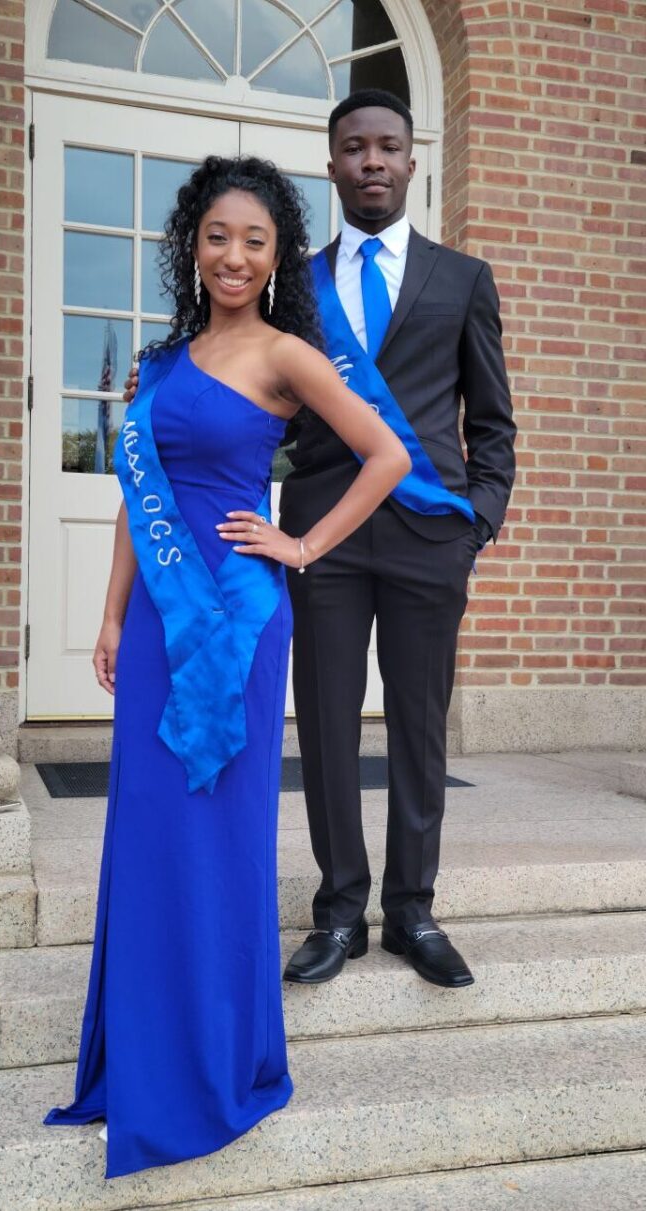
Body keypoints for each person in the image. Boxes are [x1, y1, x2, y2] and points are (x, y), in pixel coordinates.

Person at [45, 155, 410, 1180]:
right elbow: (137, 496)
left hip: (238, 624)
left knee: (218, 837)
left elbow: (386, 454)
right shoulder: (163, 363)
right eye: (217, 236)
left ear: (278, 252)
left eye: (255, 239)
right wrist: (110, 615)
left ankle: (211, 1065)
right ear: (192, 246)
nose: (235, 255)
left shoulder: (288, 354)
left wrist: (302, 544)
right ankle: (147, 1057)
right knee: (151, 830)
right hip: (159, 627)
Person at [279, 90, 516, 988]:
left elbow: (492, 421)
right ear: (331, 164)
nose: (371, 161)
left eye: (387, 146)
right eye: (354, 148)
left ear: (413, 162)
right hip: (323, 537)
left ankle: (412, 909)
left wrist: (477, 521)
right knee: (328, 724)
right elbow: (265, 404)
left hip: (429, 535)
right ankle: (340, 910)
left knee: (419, 728)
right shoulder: (293, 284)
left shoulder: (463, 278)